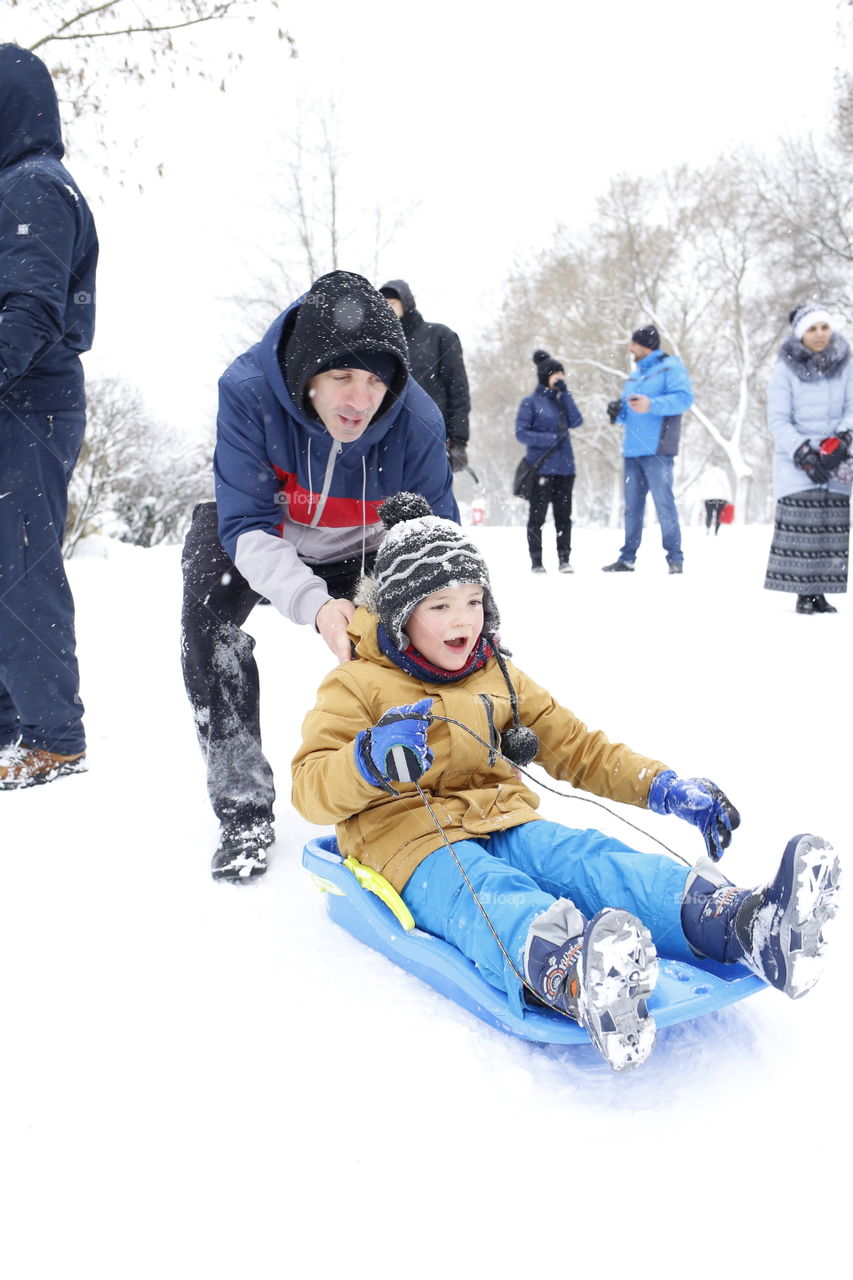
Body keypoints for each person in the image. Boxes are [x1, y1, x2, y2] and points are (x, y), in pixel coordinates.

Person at [291, 492, 839, 1071]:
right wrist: (367, 760)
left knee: (591, 860)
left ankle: (744, 922)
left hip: (505, 819)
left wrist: (663, 786)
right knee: (484, 893)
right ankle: (577, 975)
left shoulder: (497, 672)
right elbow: (308, 786)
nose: (463, 619)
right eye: (440, 605)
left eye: (474, 600)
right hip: (410, 844)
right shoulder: (356, 685)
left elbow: (578, 747)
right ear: (401, 615)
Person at [181, 271, 458, 882]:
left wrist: (452, 631)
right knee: (208, 617)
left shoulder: (417, 423)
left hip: (361, 547)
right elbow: (246, 521)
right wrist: (313, 603)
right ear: (306, 374)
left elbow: (440, 555)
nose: (359, 400)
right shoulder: (249, 390)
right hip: (263, 536)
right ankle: (243, 806)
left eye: (374, 380)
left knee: (420, 632)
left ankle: (419, 782)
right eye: (340, 377)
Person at [0, 45, 99, 790]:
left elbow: (31, 310)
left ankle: (55, 737)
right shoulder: (18, 183)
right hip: (19, 399)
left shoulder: (34, 185)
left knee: (21, 562)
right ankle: (9, 722)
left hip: (28, 401)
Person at [763, 304, 853, 614]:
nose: (819, 335)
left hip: (836, 457)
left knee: (831, 526)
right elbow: (778, 419)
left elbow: (852, 407)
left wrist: (842, 441)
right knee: (801, 527)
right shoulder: (784, 371)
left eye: (824, 328)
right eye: (812, 329)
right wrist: (804, 454)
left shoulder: (847, 365)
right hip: (796, 460)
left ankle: (821, 593)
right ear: (801, 334)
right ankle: (803, 592)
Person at [602, 325, 693, 574]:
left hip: (658, 450)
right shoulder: (633, 377)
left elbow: (685, 399)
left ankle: (675, 559)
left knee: (664, 503)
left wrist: (651, 404)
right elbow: (626, 413)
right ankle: (627, 558)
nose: (630, 348)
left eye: (634, 344)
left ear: (646, 345)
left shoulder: (670, 368)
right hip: (631, 451)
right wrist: (616, 412)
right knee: (632, 507)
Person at [378, 280, 471, 475]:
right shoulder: (378, 345)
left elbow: (458, 391)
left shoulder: (440, 336)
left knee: (433, 501)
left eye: (392, 303)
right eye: (382, 303)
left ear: (407, 303)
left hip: (432, 437)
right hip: (386, 440)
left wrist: (459, 441)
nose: (387, 308)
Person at [514, 350, 583, 573]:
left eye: (562, 374)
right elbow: (521, 433)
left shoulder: (563, 400)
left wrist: (567, 393)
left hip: (565, 469)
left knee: (564, 517)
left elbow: (577, 421)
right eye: (556, 374)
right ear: (546, 376)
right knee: (537, 518)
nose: (561, 377)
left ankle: (564, 560)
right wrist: (548, 439)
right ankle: (537, 562)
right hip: (541, 469)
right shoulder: (530, 403)